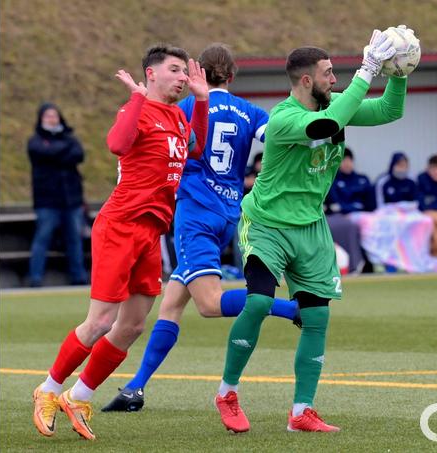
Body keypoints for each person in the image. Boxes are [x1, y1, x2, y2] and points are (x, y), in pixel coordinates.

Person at [214, 30, 408, 434]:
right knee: (258, 302)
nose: (334, 80)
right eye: (328, 73)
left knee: (316, 316)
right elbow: (326, 126)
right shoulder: (284, 118)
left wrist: (399, 72)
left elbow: (390, 110)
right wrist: (367, 70)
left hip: (310, 227)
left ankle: (301, 412)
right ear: (306, 80)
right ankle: (227, 392)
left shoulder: (335, 104)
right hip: (267, 224)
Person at [103, 43, 299, 413]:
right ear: (233, 76)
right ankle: (135, 388)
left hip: (195, 212)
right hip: (229, 214)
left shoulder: (185, 108)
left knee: (208, 304)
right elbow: (278, 140)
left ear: (198, 74)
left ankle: (292, 309)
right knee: (172, 304)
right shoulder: (250, 111)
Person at [31, 44, 210, 441]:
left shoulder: (177, 116)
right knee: (100, 321)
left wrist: (201, 101)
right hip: (121, 225)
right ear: (151, 73)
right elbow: (117, 143)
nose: (183, 77)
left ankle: (78, 397)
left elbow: (195, 148)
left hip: (151, 231)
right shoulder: (137, 108)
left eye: (185, 71)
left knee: (132, 326)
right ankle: (48, 389)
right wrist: (137, 99)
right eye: (175, 70)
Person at [26, 103, 89, 287]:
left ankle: (79, 277)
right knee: (42, 238)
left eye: (54, 115)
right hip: (47, 201)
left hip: (72, 200)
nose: (51, 119)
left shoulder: (69, 138)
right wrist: (63, 149)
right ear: (41, 119)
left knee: (74, 240)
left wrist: (56, 152)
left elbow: (78, 154)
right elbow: (45, 152)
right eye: (48, 116)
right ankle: (35, 277)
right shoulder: (35, 141)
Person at [324, 147, 375, 273]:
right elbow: (336, 205)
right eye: (343, 160)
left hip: (366, 216)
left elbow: (371, 204)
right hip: (343, 216)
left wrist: (355, 208)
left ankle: (377, 262)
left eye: (349, 160)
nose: (347, 163)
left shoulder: (362, 179)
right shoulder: (332, 180)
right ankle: (357, 264)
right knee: (351, 226)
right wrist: (354, 207)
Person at [417, 154, 437, 263]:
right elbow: (423, 204)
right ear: (428, 169)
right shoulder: (422, 180)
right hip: (431, 216)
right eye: (434, 169)